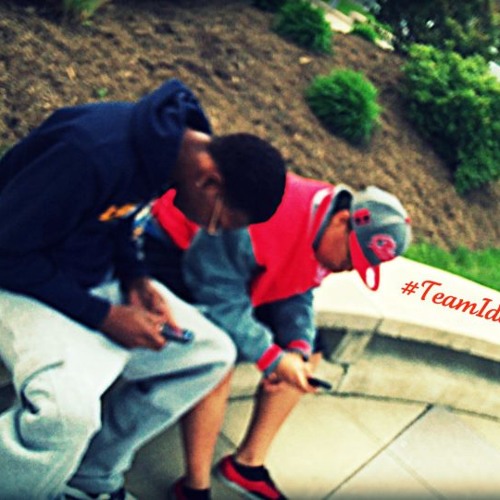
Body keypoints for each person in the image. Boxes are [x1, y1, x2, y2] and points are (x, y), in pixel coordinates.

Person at [0, 78, 287, 500]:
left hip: (87, 277)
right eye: (217, 223)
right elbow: (7, 252)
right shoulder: (89, 153)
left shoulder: (169, 159)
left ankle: (92, 477)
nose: (208, 230)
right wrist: (105, 317)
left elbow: (118, 219)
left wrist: (137, 278)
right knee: (66, 415)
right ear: (210, 182)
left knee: (211, 354)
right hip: (19, 281)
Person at [142, 171, 412, 500]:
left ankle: (246, 465)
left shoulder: (326, 224)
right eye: (351, 257)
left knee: (310, 352)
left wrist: (297, 349)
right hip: (175, 251)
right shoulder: (265, 220)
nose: (349, 268)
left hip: (234, 273)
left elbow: (300, 287)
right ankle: (194, 489)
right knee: (219, 358)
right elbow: (218, 298)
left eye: (362, 264)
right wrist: (271, 358)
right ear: (343, 221)